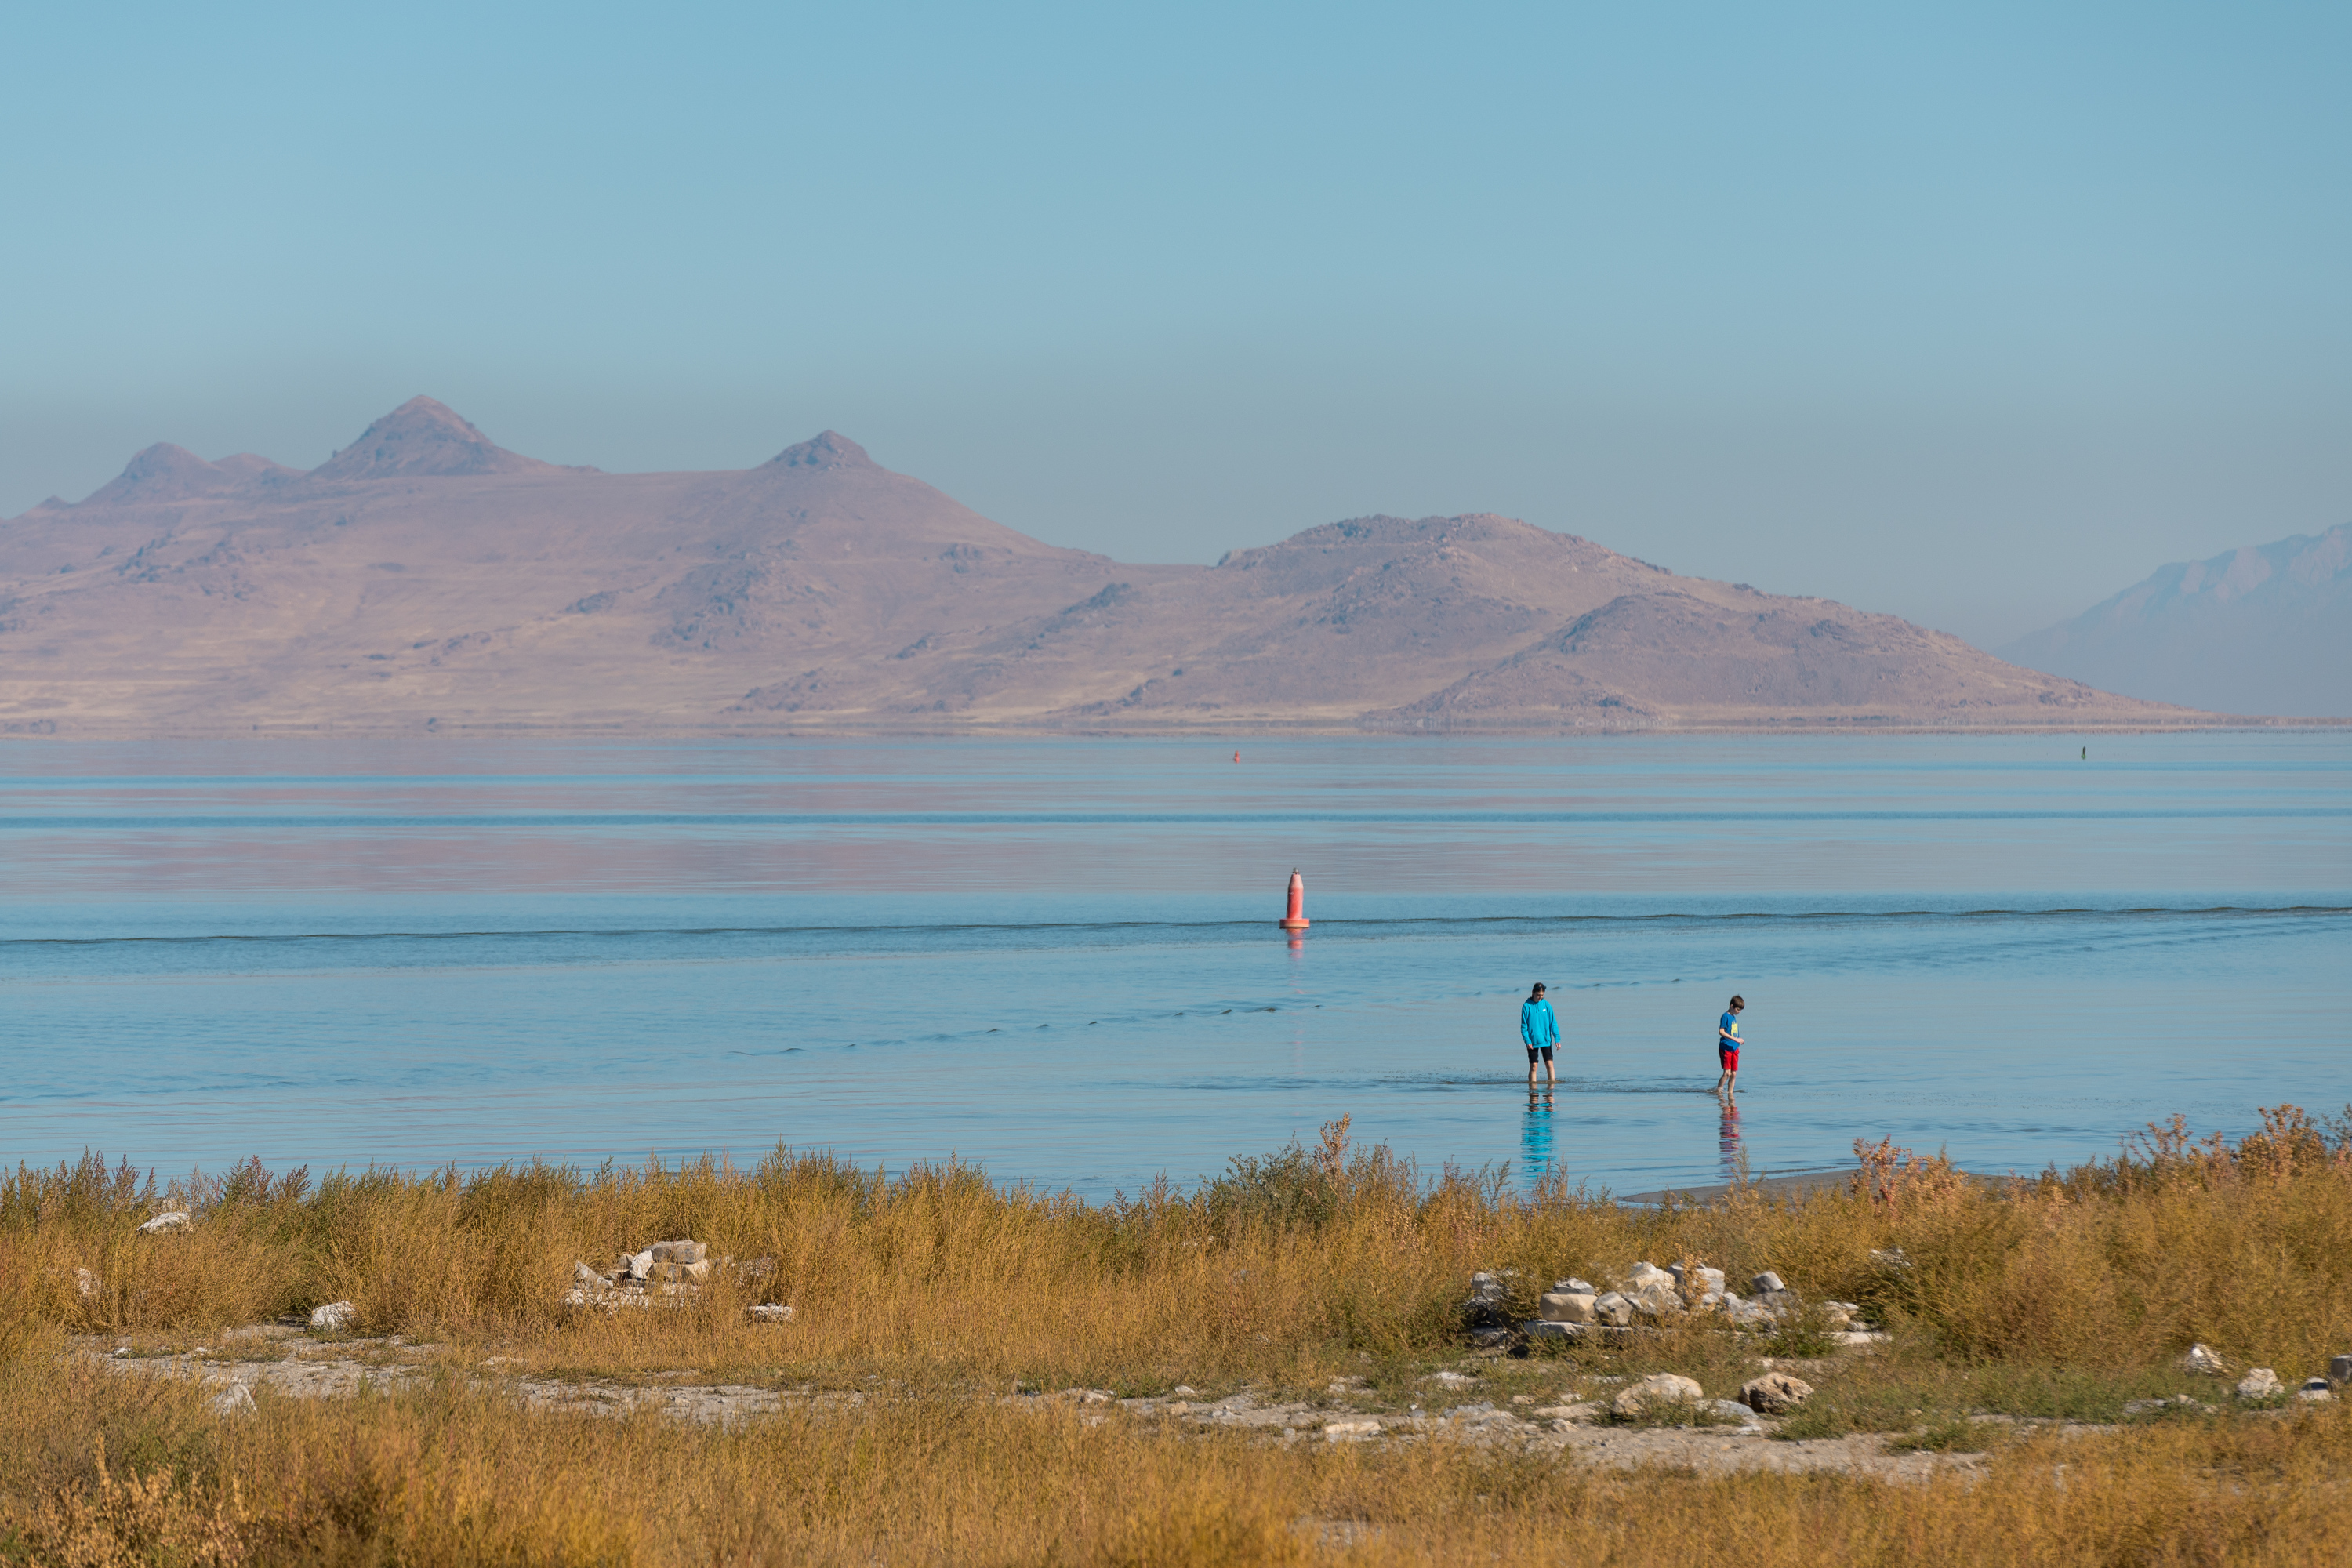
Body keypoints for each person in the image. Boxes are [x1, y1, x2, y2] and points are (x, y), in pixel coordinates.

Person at [1520, 982, 1559, 1090]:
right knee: (1534, 1067)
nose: (1540, 997)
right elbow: (1524, 1027)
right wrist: (1527, 1041)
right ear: (1533, 993)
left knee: (1549, 1065)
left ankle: (1551, 1090)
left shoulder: (1546, 1005)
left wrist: (1557, 1038)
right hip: (1532, 1042)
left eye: (1542, 995)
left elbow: (1553, 1023)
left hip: (1545, 1040)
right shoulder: (1526, 1006)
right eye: (1538, 995)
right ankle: (1533, 1091)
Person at [1711, 995, 1745, 1099]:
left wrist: (1739, 1040)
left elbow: (1735, 1033)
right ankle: (1719, 1091)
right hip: (1726, 1048)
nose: (1739, 1012)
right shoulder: (1725, 1016)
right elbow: (1721, 1031)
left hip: (1734, 1049)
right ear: (1732, 1006)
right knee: (1727, 1073)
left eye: (1740, 1010)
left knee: (1734, 1074)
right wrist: (1735, 1039)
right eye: (1738, 1009)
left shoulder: (1734, 1018)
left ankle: (1730, 1095)